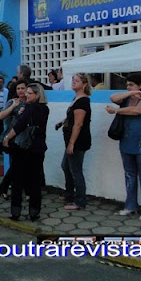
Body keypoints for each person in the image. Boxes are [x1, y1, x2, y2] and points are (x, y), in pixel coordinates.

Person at [106, 73, 141, 223]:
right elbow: (113, 98)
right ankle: (131, 205)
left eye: (131, 84)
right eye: (127, 84)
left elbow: (136, 111)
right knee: (129, 175)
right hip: (126, 142)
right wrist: (131, 92)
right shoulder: (127, 98)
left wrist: (116, 110)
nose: (128, 87)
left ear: (140, 85)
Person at [2, 83, 49, 221]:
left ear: (37, 95)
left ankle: (15, 212)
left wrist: (7, 137)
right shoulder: (45, 109)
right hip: (38, 148)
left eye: (30, 93)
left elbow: (19, 125)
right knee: (35, 181)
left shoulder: (30, 108)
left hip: (23, 148)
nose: (26, 95)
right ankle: (34, 212)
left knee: (17, 182)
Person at [55, 73, 91, 210]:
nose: (73, 82)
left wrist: (71, 143)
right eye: (73, 80)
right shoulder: (76, 99)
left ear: (84, 84)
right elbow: (72, 117)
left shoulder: (82, 101)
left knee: (76, 171)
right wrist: (62, 122)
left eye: (77, 81)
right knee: (66, 166)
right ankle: (69, 194)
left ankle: (80, 201)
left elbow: (78, 124)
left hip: (78, 141)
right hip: (70, 139)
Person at [0, 79, 29, 200]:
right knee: (15, 165)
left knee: (24, 165)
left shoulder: (30, 102)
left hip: (26, 138)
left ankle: (21, 189)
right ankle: (7, 189)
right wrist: (14, 107)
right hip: (12, 138)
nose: (21, 91)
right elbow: (1, 116)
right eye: (18, 89)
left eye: (23, 88)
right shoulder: (12, 102)